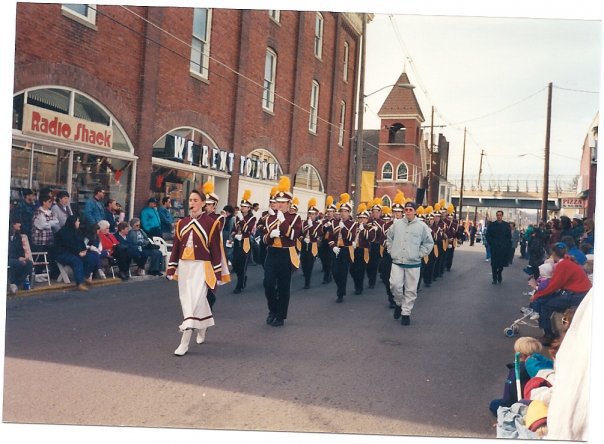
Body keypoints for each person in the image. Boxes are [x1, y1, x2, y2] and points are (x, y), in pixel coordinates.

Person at [166, 189, 229, 356]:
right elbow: (176, 248)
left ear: (203, 203)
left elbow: (216, 250)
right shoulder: (181, 223)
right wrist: (171, 267)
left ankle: (184, 343)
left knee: (195, 303)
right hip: (185, 267)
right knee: (188, 301)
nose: (192, 203)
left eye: (195, 200)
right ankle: (203, 326)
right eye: (190, 200)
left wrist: (218, 273)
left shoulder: (211, 223)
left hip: (202, 267)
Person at [528, 242, 592, 346]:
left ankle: (548, 335)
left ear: (553, 253)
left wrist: (537, 295)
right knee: (549, 301)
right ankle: (549, 330)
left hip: (575, 295)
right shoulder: (569, 262)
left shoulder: (563, 265)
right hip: (582, 293)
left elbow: (553, 286)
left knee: (544, 305)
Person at [261, 176, 302, 326]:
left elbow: (292, 236)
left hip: (286, 253)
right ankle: (273, 309)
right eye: (278, 202)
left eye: (283, 203)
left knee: (284, 286)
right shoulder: (268, 219)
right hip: (272, 253)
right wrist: (270, 236)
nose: (280, 205)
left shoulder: (295, 217)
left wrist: (283, 221)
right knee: (268, 283)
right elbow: (264, 239)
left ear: (289, 203)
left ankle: (280, 316)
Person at [386, 201, 434, 326]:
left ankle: (406, 313)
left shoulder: (422, 226)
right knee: (394, 285)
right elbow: (389, 238)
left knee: (411, 290)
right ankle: (399, 303)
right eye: (406, 209)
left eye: (410, 210)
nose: (408, 212)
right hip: (397, 261)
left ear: (415, 211)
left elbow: (429, 242)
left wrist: (420, 253)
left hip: (413, 263)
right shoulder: (397, 225)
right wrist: (391, 251)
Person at [489, 336, 543, 416]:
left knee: (493, 404)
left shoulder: (517, 370)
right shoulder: (540, 366)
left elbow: (509, 396)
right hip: (534, 401)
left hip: (518, 404)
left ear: (520, 354)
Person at [53, 215, 98, 291]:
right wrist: (78, 253)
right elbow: (68, 246)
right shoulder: (63, 232)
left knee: (91, 258)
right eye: (77, 221)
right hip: (62, 254)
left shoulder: (77, 231)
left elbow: (81, 243)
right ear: (73, 222)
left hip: (74, 252)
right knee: (77, 261)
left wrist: (84, 250)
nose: (79, 223)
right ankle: (79, 283)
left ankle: (84, 276)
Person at [329, 193, 356, 303]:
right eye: (342, 211)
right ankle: (340, 288)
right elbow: (330, 238)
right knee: (334, 272)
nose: (343, 213)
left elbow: (351, 237)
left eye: (345, 211)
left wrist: (343, 228)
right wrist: (333, 247)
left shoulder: (353, 224)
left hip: (346, 250)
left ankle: (340, 293)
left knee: (343, 273)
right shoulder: (334, 223)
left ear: (349, 213)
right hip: (337, 250)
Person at [231, 190, 256, 294]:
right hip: (237, 242)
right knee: (235, 264)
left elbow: (247, 230)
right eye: (242, 206)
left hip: (245, 243)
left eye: (245, 207)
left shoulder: (252, 218)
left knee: (242, 265)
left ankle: (239, 286)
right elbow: (233, 229)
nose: (242, 208)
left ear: (249, 208)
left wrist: (241, 220)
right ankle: (243, 278)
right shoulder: (237, 217)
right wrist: (234, 235)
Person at [349, 203, 374, 295]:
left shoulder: (370, 228)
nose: (361, 220)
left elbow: (370, 237)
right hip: (354, 250)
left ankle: (359, 287)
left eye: (364, 218)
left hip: (364, 251)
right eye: (360, 218)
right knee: (352, 269)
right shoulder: (354, 227)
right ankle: (357, 284)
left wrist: (363, 230)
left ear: (367, 219)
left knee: (360, 270)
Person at [300, 198, 323, 289]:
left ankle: (307, 282)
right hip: (304, 244)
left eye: (313, 214)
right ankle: (306, 275)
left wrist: (311, 226)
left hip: (312, 245)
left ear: (316, 215)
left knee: (310, 264)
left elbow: (319, 234)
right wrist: (302, 239)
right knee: (303, 263)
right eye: (310, 213)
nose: (311, 215)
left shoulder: (318, 224)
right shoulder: (303, 223)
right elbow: (300, 234)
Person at [7, 217, 34, 294]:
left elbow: (20, 249)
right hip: (10, 258)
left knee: (29, 264)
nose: (20, 224)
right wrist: (18, 258)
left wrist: (22, 257)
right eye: (18, 223)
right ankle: (12, 282)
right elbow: (10, 250)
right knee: (17, 264)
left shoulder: (18, 236)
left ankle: (15, 284)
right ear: (13, 224)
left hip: (16, 257)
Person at [485, 210, 511, 284]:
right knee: (494, 264)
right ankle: (494, 278)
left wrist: (506, 244)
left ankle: (499, 273)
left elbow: (509, 237)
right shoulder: (492, 225)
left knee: (501, 264)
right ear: (496, 216)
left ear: (502, 216)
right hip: (494, 247)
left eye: (500, 215)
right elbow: (488, 235)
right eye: (497, 215)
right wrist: (491, 243)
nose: (499, 216)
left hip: (503, 248)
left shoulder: (506, 225)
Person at [319, 196, 337, 284]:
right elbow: (320, 232)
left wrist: (331, 226)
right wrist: (324, 226)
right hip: (324, 242)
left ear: (334, 212)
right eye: (328, 211)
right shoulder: (323, 221)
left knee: (329, 260)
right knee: (323, 258)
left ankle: (327, 276)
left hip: (332, 242)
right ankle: (327, 272)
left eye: (331, 212)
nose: (329, 213)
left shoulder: (336, 221)